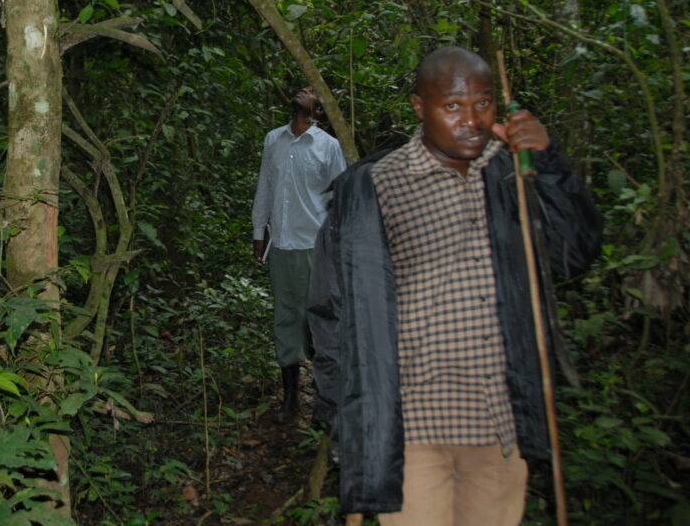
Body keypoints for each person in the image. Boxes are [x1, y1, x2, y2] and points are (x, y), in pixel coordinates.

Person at [308, 47, 601, 525]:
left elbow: (572, 256)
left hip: (499, 427)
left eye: (483, 104)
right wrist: (351, 420)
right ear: (419, 107)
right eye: (452, 106)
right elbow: (330, 310)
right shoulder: (372, 187)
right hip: (411, 432)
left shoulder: (512, 176)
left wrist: (548, 166)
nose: (472, 120)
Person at [252, 85, 347, 424]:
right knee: (286, 320)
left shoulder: (329, 146)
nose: (304, 91)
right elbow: (265, 185)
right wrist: (258, 232)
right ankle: (290, 401)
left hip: (316, 247)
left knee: (319, 323)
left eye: (312, 92)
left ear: (319, 111)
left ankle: (325, 403)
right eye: (303, 88)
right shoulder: (272, 140)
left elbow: (340, 199)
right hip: (281, 245)